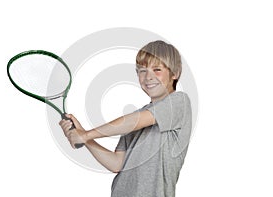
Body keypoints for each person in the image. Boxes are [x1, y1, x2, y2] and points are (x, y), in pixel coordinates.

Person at [59, 40, 192, 197]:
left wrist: (88, 134)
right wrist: (84, 137)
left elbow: (135, 121)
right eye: (142, 71)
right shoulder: (133, 121)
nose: (148, 77)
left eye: (157, 69)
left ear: (174, 74)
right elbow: (117, 163)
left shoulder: (179, 102)